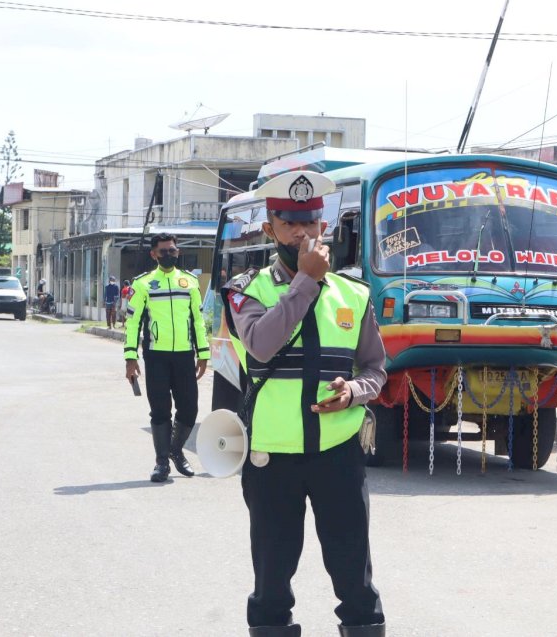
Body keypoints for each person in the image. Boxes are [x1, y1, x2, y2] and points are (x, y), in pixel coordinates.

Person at [223, 170, 386, 636]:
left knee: (355, 578)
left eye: (310, 223)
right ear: (269, 228)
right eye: (289, 223)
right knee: (272, 582)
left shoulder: (354, 295)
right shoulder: (246, 290)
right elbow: (261, 344)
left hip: (339, 454)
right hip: (272, 459)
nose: (302, 233)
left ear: (324, 227)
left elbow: (376, 368)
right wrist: (307, 283)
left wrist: (355, 391)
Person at [124, 233, 210, 483]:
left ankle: (175, 449)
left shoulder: (190, 282)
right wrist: (131, 358)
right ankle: (162, 462)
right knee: (160, 411)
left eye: (172, 250)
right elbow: (132, 324)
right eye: (163, 251)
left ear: (178, 251)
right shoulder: (143, 284)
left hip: (184, 355)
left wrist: (203, 353)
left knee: (190, 409)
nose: (168, 255)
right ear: (154, 254)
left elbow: (198, 321)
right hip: (156, 357)